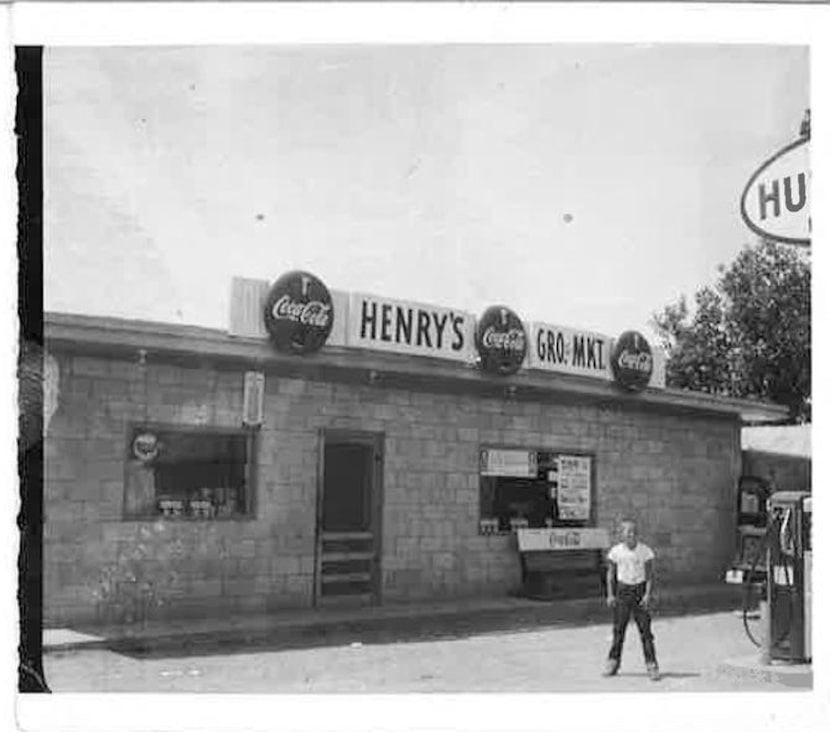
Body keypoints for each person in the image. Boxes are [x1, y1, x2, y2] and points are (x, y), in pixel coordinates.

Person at [602, 519, 660, 681]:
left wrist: (647, 595)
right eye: (627, 532)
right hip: (622, 592)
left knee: (646, 632)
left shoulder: (645, 551)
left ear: (638, 534)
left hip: (639, 591)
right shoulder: (616, 552)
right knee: (618, 630)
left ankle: (652, 665)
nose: (631, 534)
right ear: (621, 534)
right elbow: (610, 574)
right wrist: (610, 594)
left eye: (634, 531)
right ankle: (612, 662)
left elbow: (649, 576)